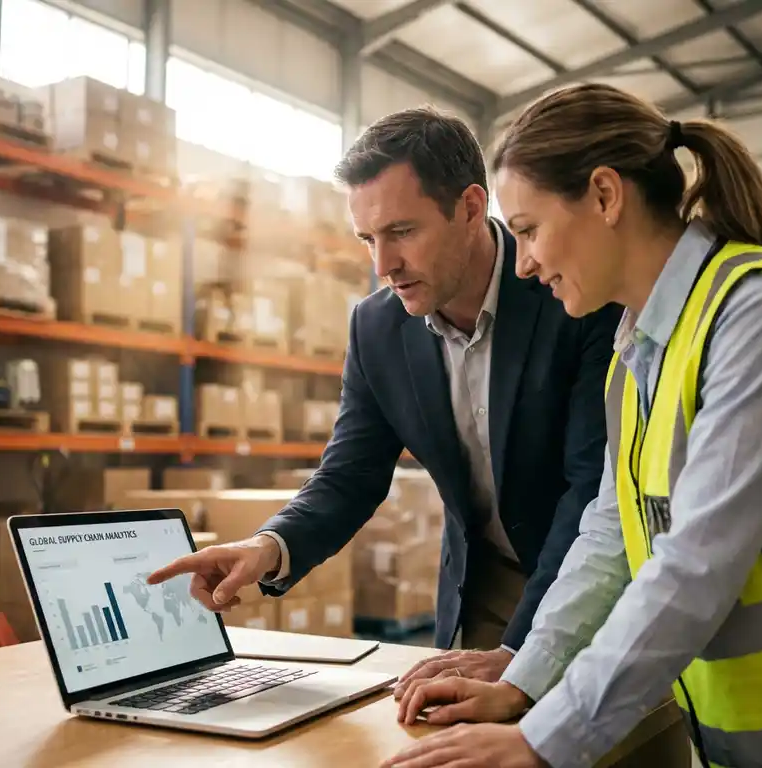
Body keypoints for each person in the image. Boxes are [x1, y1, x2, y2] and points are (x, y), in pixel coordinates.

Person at [383, 82, 762, 768]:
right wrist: (523, 679)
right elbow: (611, 533)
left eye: (530, 229)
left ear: (605, 195)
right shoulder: (637, 349)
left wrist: (546, 741)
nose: (526, 263)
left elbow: (697, 563)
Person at [149, 108, 621, 683]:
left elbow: (591, 486)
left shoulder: (570, 292)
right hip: (485, 589)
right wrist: (268, 547)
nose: (383, 265)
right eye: (368, 238)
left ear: (471, 209)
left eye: (402, 232)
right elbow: (351, 473)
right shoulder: (377, 329)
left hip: (595, 579)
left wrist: (525, 652)